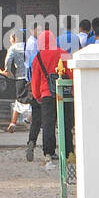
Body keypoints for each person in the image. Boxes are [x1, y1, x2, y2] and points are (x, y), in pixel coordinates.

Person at [26, 30, 70, 169]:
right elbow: (70, 73)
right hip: (63, 93)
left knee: (48, 125)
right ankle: (68, 152)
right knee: (65, 124)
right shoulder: (63, 53)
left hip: (46, 95)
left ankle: (48, 153)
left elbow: (36, 80)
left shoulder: (38, 57)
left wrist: (37, 96)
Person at [4, 31, 29, 132]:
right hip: (30, 77)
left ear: (15, 38)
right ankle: (25, 120)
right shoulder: (29, 46)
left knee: (19, 99)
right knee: (31, 98)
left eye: (10, 38)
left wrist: (8, 71)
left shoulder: (13, 48)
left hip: (19, 77)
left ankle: (14, 122)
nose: (10, 40)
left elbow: (8, 60)